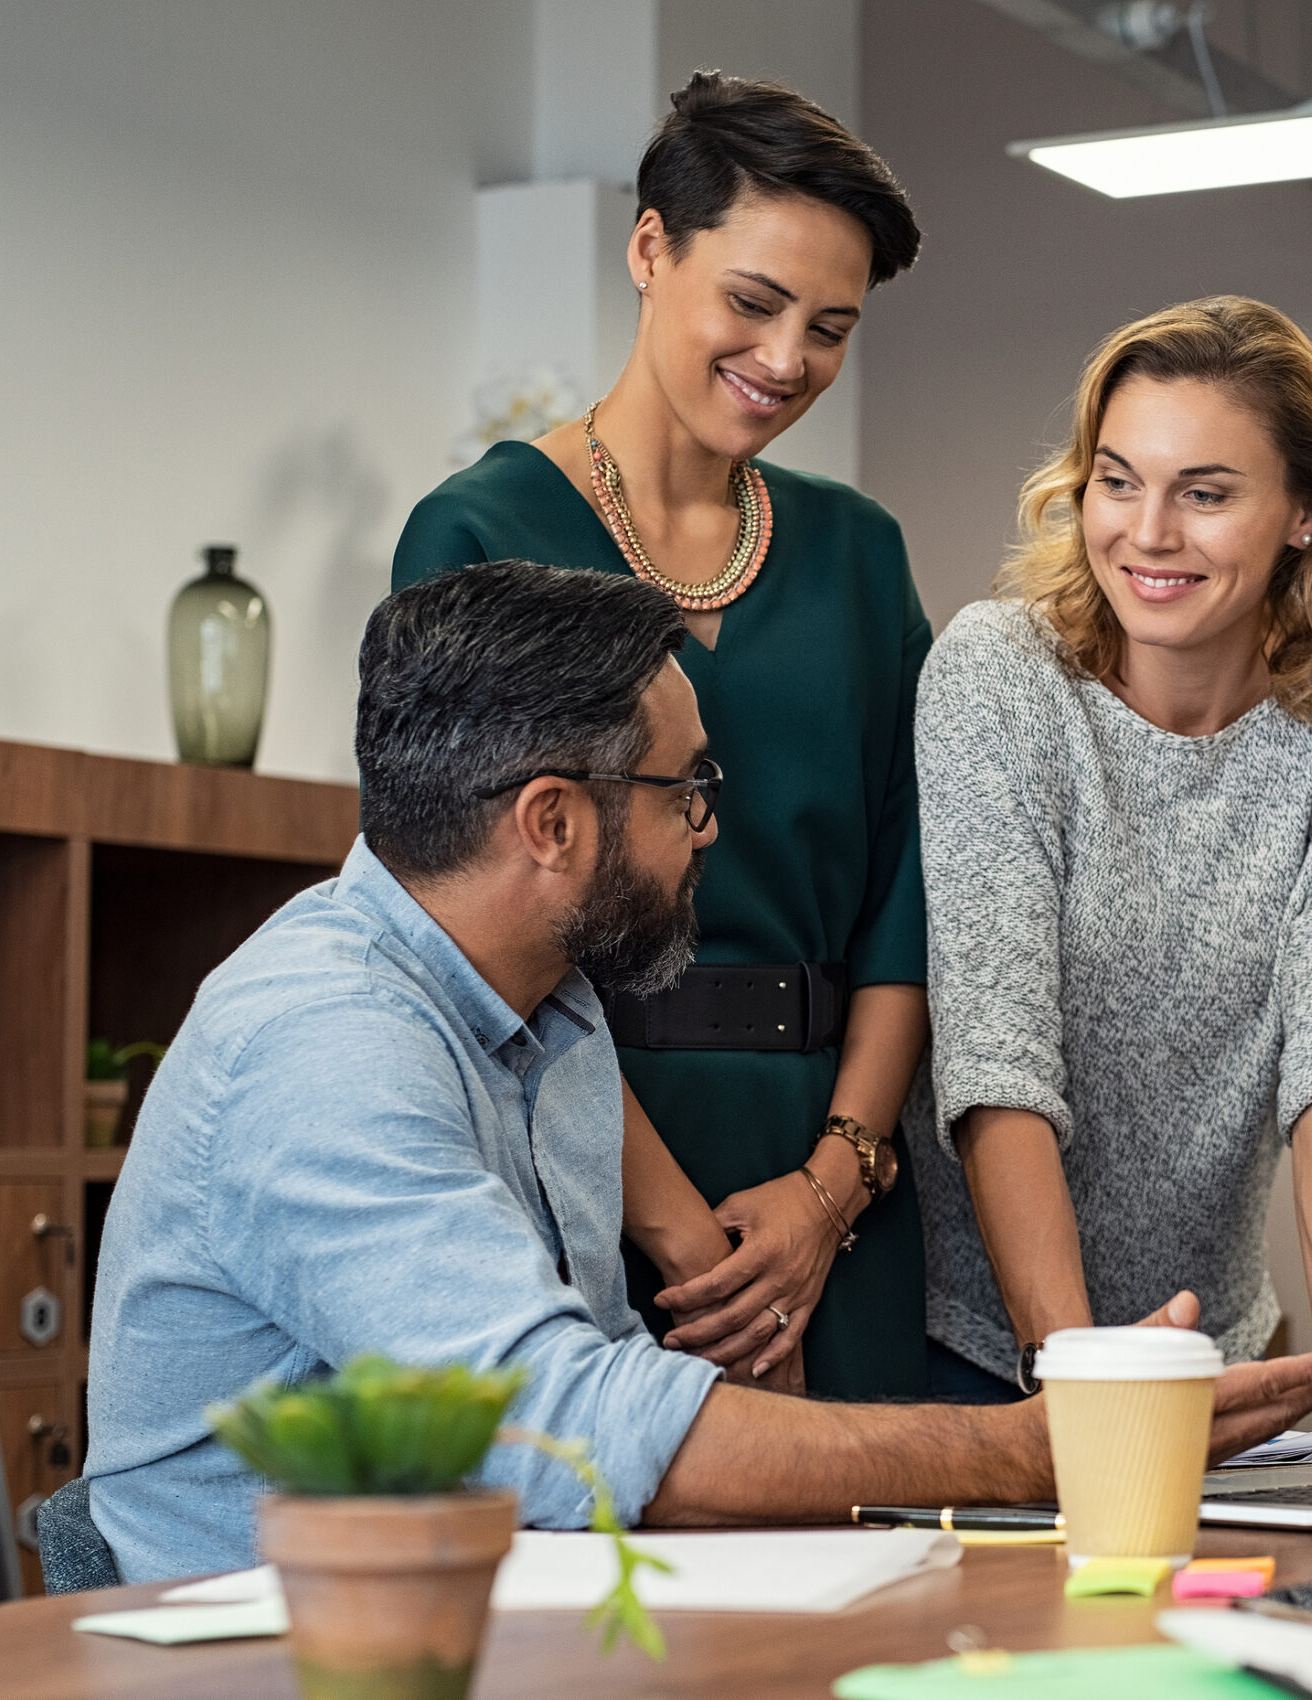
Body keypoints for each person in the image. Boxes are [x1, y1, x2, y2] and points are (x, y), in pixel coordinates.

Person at [79, 562, 1312, 1582]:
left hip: (506, 1611)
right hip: (276, 1655)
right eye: (685, 788)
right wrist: (1033, 1450)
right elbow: (564, 1429)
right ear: (552, 821)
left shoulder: (555, 1010)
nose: (712, 827)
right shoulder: (318, 1043)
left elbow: (610, 1420)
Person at [392, 75, 932, 1398]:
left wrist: (830, 1191)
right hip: (579, 1162)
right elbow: (467, 922)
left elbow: (914, 899)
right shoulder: (474, 537)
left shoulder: (862, 556)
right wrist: (690, 1245)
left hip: (830, 1189)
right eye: (753, 302)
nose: (788, 357)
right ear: (649, 249)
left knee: (887, 1591)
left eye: (832, 327)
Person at [908, 297, 1312, 1404]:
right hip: (976, 1342)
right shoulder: (999, 673)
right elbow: (995, 1054)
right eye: (1117, 480)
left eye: (1204, 493)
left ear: (1305, 509)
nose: (1148, 532)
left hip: (1223, 1336)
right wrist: (1076, 1378)